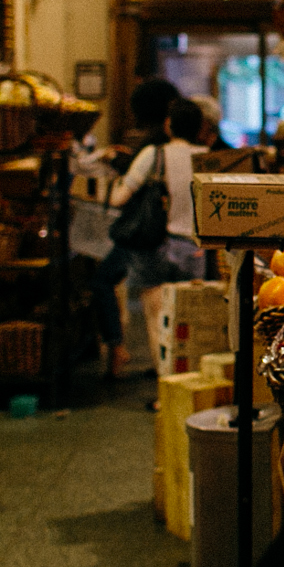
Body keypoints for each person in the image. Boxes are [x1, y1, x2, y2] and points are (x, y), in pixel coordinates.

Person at [105, 96, 211, 375]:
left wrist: (115, 177)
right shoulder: (207, 159)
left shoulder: (154, 154)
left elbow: (119, 198)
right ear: (200, 128)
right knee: (189, 322)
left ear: (169, 125)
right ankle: (190, 381)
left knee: (157, 322)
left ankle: (166, 387)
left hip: (155, 248)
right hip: (194, 249)